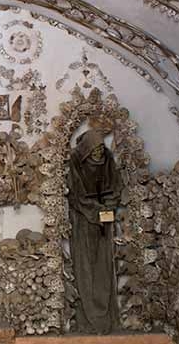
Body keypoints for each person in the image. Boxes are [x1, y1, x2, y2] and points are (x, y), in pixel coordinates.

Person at [67, 129, 121, 334]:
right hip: (83, 222)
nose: (99, 152)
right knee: (85, 268)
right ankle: (89, 317)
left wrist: (108, 206)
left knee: (104, 267)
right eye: (94, 149)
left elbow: (115, 186)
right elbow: (76, 194)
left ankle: (105, 316)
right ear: (86, 149)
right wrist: (96, 211)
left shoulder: (107, 158)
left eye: (100, 148)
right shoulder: (75, 160)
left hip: (104, 222)